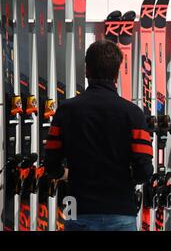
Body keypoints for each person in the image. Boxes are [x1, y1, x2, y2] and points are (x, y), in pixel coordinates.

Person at [45, 40, 153, 231]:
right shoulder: (133, 113)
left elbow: (51, 167)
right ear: (117, 73)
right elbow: (144, 172)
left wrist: (69, 174)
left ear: (87, 70)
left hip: (77, 209)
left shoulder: (66, 111)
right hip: (121, 210)